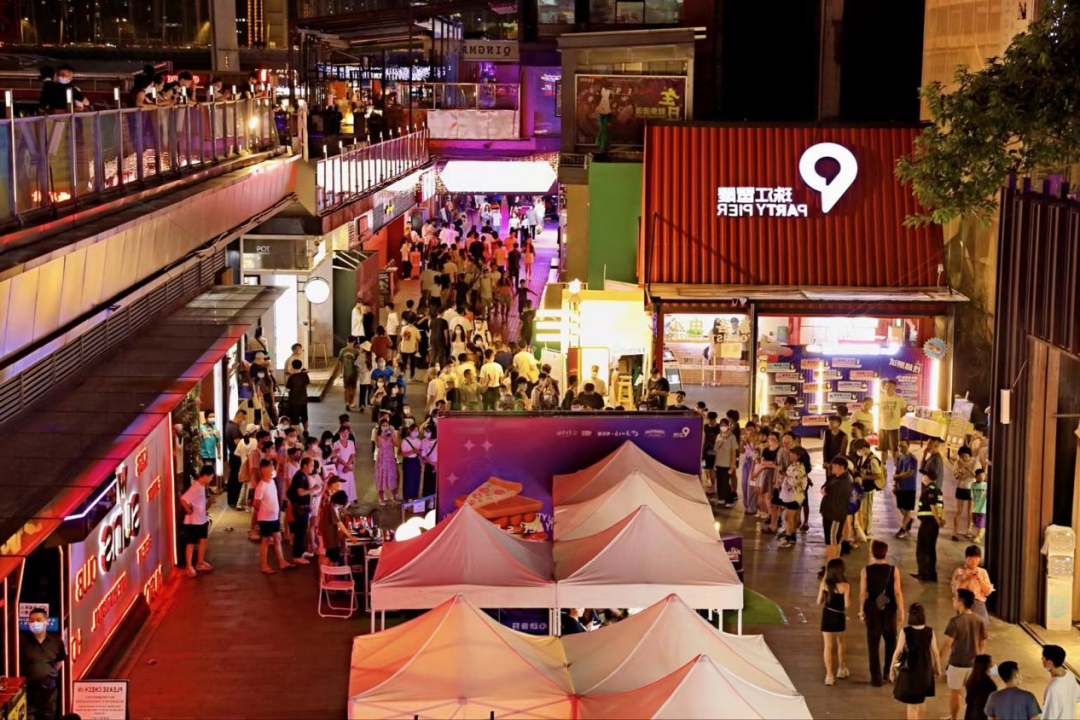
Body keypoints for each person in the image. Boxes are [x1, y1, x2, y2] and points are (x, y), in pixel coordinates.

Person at [860, 540, 904, 686]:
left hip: (872, 611)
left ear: (873, 553)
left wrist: (861, 610)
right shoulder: (893, 570)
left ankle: (876, 678)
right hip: (889, 610)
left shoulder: (866, 570)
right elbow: (897, 593)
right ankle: (888, 672)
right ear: (886, 552)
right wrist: (901, 610)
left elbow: (862, 593)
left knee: (873, 645)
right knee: (891, 642)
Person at [941, 589, 989, 720]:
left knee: (955, 693)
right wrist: (978, 659)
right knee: (972, 695)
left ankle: (954, 718)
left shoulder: (954, 621)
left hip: (957, 664)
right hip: (973, 665)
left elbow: (947, 644)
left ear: (961, 603)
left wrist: (937, 660)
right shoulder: (980, 620)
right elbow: (983, 643)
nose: (953, 600)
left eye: (955, 598)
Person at [891, 603, 941, 719]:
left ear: (910, 615)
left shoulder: (905, 631)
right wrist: (937, 668)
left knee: (912, 706)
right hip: (925, 671)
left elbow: (898, 652)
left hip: (910, 673)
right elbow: (936, 652)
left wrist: (891, 669)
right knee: (921, 701)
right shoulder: (929, 631)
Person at [21, 608, 66, 720]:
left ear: (46, 622)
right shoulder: (21, 641)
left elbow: (59, 661)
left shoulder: (56, 641)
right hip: (28, 692)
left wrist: (49, 674)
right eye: (31, 620)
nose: (35, 623)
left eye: (38, 620)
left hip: (49, 693)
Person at [254, 459, 295, 574]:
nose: (273, 470)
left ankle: (282, 562)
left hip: (274, 518)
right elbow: (256, 504)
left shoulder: (271, 480)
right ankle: (264, 565)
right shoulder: (261, 486)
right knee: (265, 541)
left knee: (277, 539)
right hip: (265, 519)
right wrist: (263, 513)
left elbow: (277, 470)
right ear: (264, 470)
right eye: (270, 467)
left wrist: (277, 459)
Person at [818, 558, 851, 686]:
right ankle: (841, 669)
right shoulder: (845, 586)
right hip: (839, 616)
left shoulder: (825, 584)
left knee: (828, 646)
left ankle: (829, 675)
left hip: (827, 615)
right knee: (841, 642)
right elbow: (847, 605)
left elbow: (818, 602)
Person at [180, 465, 215, 577]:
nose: (211, 479)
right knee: (191, 543)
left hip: (201, 519)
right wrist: (188, 509)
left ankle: (200, 563)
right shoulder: (196, 486)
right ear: (205, 476)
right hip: (193, 521)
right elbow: (183, 499)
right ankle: (189, 566)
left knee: (203, 540)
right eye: (211, 477)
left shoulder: (200, 486)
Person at [913, 462, 945, 582]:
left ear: (928, 477)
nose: (923, 477)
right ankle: (931, 574)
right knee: (931, 548)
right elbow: (941, 506)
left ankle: (924, 573)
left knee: (923, 548)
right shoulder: (938, 490)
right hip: (932, 523)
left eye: (924, 475)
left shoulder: (930, 490)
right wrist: (940, 519)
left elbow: (933, 506)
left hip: (928, 522)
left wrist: (938, 521)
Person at [951, 545, 996, 627]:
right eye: (971, 559)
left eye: (976, 559)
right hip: (964, 604)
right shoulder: (959, 571)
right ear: (966, 558)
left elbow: (988, 591)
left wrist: (979, 579)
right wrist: (968, 579)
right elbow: (956, 590)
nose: (974, 562)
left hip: (979, 604)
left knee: (980, 629)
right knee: (963, 629)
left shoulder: (983, 572)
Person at [821, 457, 853, 569]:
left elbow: (827, 490)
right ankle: (834, 562)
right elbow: (824, 488)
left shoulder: (844, 481)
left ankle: (831, 567)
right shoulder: (836, 477)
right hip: (830, 512)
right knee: (835, 539)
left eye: (834, 465)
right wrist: (825, 489)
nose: (832, 467)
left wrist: (825, 490)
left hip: (835, 514)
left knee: (831, 540)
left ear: (842, 467)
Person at [1042, 644, 1080, 720]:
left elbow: (1049, 716)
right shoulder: (1070, 675)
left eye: (1043, 658)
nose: (1042, 660)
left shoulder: (1052, 688)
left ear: (1050, 662)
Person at [952, 445, 978, 541]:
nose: (963, 458)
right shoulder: (958, 462)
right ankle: (955, 531)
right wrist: (959, 474)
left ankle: (969, 530)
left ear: (969, 455)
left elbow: (978, 476)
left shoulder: (975, 462)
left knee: (970, 510)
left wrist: (969, 470)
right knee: (958, 510)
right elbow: (955, 476)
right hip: (961, 487)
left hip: (972, 487)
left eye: (965, 456)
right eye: (961, 456)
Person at [894, 439, 920, 538]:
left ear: (908, 446)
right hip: (900, 487)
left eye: (903, 446)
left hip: (909, 488)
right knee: (901, 507)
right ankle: (909, 520)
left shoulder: (912, 459)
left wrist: (898, 477)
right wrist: (895, 483)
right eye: (899, 446)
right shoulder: (900, 457)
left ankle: (903, 529)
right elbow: (897, 470)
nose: (901, 448)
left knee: (907, 509)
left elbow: (910, 473)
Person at [714, 418, 739, 508]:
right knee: (719, 481)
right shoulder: (718, 436)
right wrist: (714, 463)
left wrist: (732, 464)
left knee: (725, 482)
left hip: (727, 463)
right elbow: (716, 450)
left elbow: (733, 452)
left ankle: (729, 500)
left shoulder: (732, 437)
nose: (723, 427)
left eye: (724, 425)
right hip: (718, 462)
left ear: (728, 426)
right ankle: (721, 498)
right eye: (721, 425)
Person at [224, 409, 247, 507]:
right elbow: (237, 442)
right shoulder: (234, 427)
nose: (243, 421)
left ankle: (232, 499)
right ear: (239, 416)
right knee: (235, 477)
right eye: (243, 419)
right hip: (236, 456)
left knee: (233, 476)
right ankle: (233, 499)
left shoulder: (229, 425)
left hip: (233, 455)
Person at [879, 379, 905, 463]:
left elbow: (903, 411)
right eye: (886, 386)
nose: (888, 388)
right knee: (883, 449)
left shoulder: (899, 398)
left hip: (894, 427)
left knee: (894, 449)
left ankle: (896, 466)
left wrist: (895, 418)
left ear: (895, 387)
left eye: (890, 386)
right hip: (882, 427)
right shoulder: (881, 397)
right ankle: (883, 466)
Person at [966, 655, 999, 720]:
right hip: (983, 716)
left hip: (970, 714)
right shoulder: (990, 684)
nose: (993, 665)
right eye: (991, 663)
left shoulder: (971, 680)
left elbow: (968, 700)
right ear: (987, 666)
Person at [374, 419, 398, 504]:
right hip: (381, 457)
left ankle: (394, 496)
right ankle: (381, 497)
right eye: (383, 425)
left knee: (392, 476)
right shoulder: (377, 434)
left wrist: (392, 435)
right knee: (381, 477)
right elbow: (378, 445)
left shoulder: (392, 433)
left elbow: (396, 444)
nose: (385, 427)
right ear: (380, 426)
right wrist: (382, 436)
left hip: (390, 457)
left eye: (386, 425)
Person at [331, 426, 357, 505]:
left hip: (348, 466)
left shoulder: (351, 442)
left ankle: (350, 500)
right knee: (342, 484)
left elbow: (353, 455)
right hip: (340, 467)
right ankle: (342, 502)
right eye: (343, 432)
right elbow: (337, 457)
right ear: (339, 433)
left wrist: (348, 465)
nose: (345, 434)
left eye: (347, 432)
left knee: (349, 483)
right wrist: (346, 466)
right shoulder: (336, 444)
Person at [285, 360, 310, 429]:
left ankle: (297, 432)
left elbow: (287, 390)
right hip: (303, 399)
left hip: (294, 401)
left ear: (292, 366)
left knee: (295, 419)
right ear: (301, 366)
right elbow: (307, 383)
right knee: (304, 417)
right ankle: (306, 431)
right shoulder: (304, 375)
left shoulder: (291, 377)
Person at [339, 336, 360, 411]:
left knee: (346, 388)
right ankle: (351, 402)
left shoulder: (342, 351)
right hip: (354, 372)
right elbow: (358, 364)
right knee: (353, 388)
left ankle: (347, 402)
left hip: (346, 373)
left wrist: (340, 372)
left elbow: (340, 362)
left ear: (347, 341)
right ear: (354, 342)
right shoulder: (356, 352)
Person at [198, 411, 221, 480]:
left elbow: (218, 441)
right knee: (205, 474)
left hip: (212, 455)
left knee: (210, 474)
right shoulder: (201, 428)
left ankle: (207, 486)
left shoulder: (215, 428)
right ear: (206, 418)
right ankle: (204, 486)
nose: (212, 418)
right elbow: (197, 441)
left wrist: (219, 453)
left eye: (213, 416)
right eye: (210, 417)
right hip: (204, 454)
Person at [971, 469, 989, 545]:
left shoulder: (986, 485)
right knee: (975, 521)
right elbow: (972, 495)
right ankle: (982, 530)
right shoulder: (973, 485)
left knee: (979, 522)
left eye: (983, 475)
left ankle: (978, 537)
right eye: (980, 476)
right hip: (975, 507)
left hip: (983, 508)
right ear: (976, 477)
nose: (982, 477)